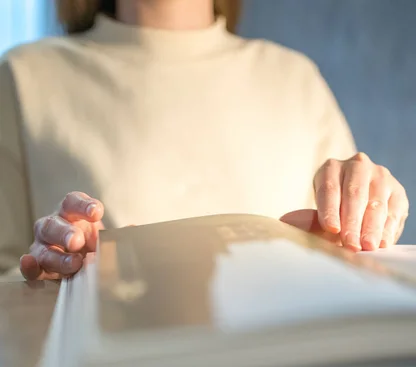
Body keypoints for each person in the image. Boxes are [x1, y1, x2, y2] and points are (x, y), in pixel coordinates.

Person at [0, 0, 409, 281]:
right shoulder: (24, 77)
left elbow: (351, 257)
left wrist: (371, 212)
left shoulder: (294, 78)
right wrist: (50, 282)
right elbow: (10, 274)